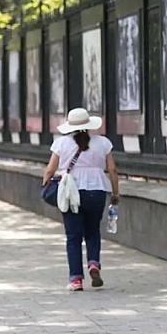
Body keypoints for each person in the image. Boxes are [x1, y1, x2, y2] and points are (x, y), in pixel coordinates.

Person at [42, 107, 120, 291]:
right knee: (93, 231)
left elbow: (50, 170)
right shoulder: (103, 143)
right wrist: (115, 193)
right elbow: (113, 170)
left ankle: (76, 279)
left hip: (71, 193)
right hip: (97, 191)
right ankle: (93, 263)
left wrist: (46, 185)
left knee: (73, 237)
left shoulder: (61, 144)